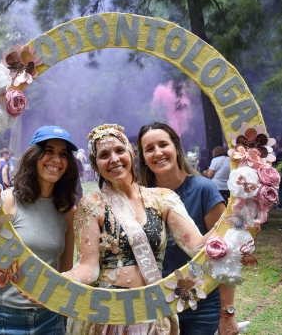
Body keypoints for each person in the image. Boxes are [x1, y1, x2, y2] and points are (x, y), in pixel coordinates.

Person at [63, 124, 214, 334]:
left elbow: (197, 247)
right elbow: (88, 268)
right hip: (107, 316)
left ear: (131, 153)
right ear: (95, 165)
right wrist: (58, 283)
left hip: (152, 312)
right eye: (104, 155)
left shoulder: (163, 198)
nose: (114, 159)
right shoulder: (91, 205)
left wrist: (237, 219)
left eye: (119, 150)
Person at [0, 125, 79, 335]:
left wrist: (63, 322)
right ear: (33, 156)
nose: (56, 159)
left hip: (49, 320)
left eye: (63, 154)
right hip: (1, 319)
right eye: (49, 151)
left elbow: (65, 273)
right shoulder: (8, 201)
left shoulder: (68, 211)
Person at [137, 122, 239, 335]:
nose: (158, 153)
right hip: (156, 304)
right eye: (149, 149)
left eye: (163, 144)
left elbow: (226, 252)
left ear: (176, 148)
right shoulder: (138, 196)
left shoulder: (203, 189)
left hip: (202, 304)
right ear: (144, 158)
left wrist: (227, 312)